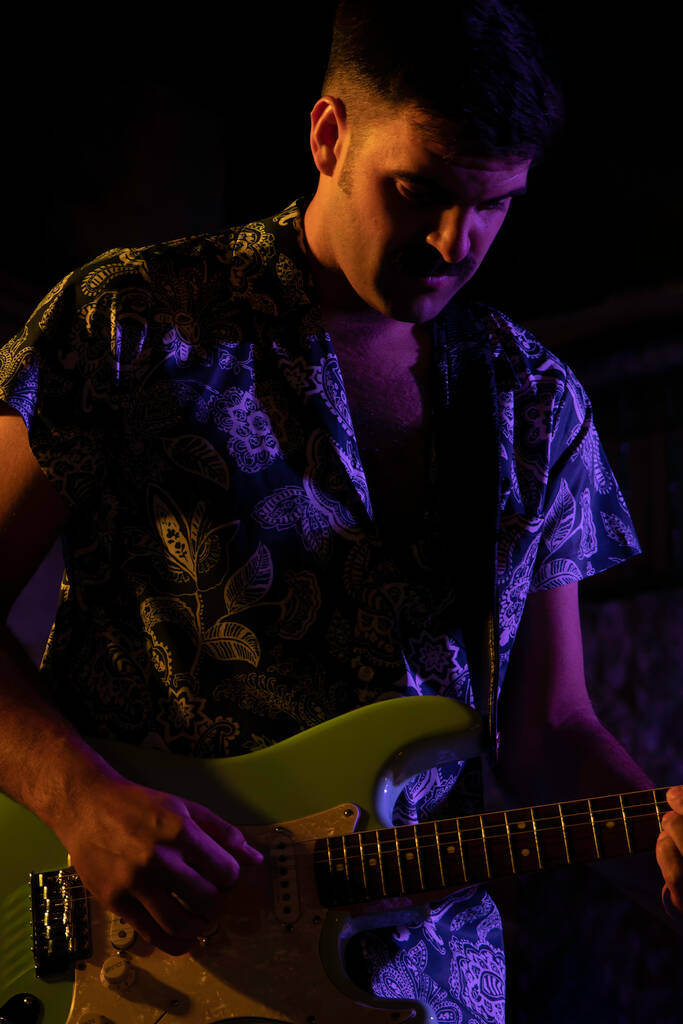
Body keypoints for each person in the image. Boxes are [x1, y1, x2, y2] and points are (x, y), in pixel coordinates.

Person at [0, 0, 681, 1018]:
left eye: (495, 205)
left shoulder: (534, 407)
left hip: (423, 986)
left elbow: (545, 729)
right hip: (138, 970)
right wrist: (78, 797)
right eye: (419, 191)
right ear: (328, 137)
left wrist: (662, 851)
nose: (456, 241)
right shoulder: (134, 322)